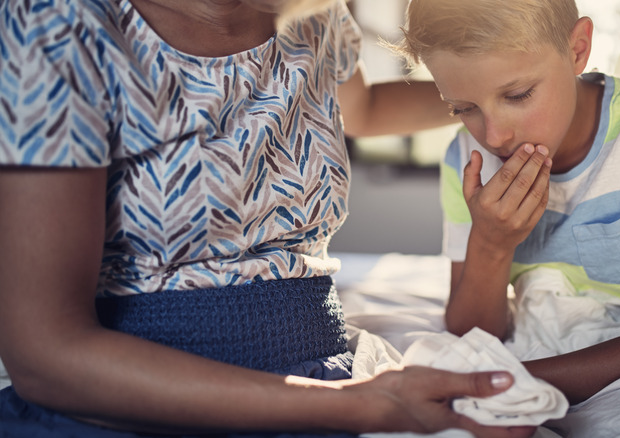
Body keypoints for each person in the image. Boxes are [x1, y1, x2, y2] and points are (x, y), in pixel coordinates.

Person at [0, 1, 538, 437]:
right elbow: (45, 355)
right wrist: (355, 406)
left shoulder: (312, 14)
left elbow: (367, 109)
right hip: (143, 399)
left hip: (324, 367)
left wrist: (510, 93)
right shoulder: (57, 27)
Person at [392, 0, 620, 405]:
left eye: (518, 94)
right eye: (464, 108)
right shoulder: (465, 158)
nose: (494, 136)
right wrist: (491, 244)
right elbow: (473, 333)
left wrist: (508, 383)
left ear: (577, 49)